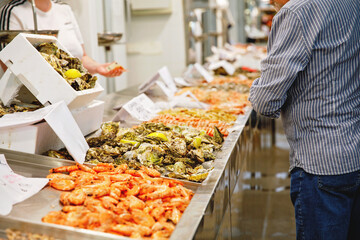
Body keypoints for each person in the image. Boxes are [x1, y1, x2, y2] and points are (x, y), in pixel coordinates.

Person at [249, 0, 360, 239]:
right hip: (354, 150)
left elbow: (266, 102)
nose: (269, 2)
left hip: (319, 162)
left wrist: (258, 85)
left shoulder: (296, 12)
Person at [0, 0, 124, 77]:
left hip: (76, 95)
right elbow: (9, 65)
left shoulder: (64, 9)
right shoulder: (13, 11)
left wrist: (98, 67)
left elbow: (81, 58)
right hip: (40, 103)